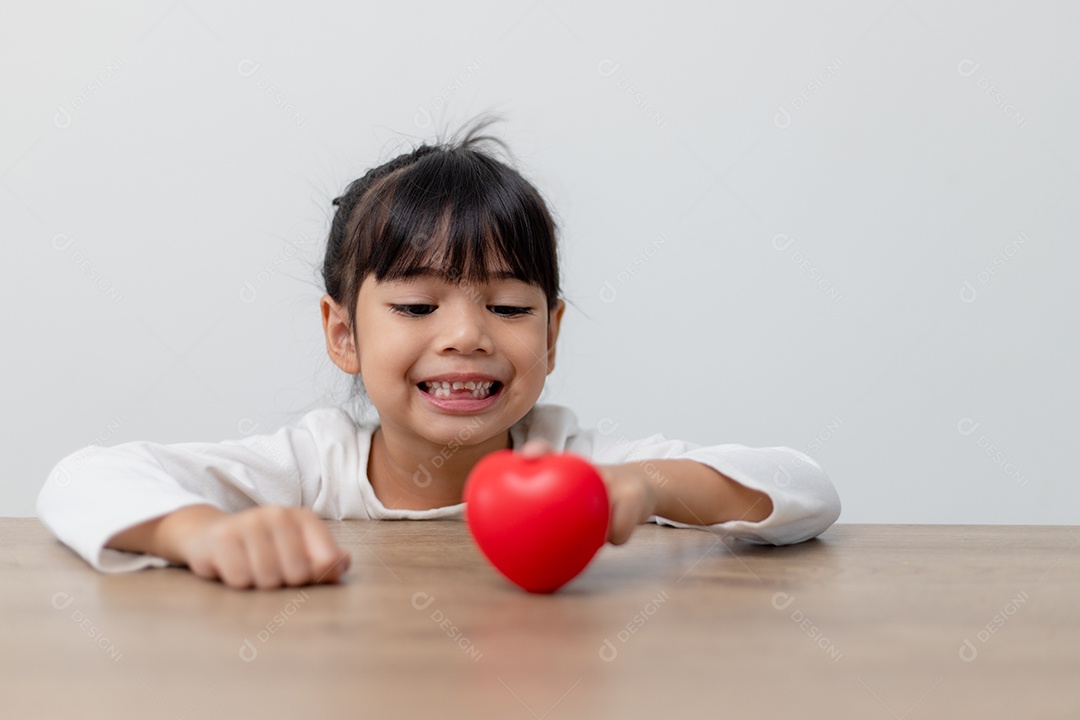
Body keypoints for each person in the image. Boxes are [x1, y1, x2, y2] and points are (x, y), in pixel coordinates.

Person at [37, 115, 841, 590]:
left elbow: (805, 490)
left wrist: (644, 486)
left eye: (509, 306)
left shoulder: (576, 462)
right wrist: (196, 533)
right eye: (419, 305)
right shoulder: (311, 466)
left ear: (552, 335)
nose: (467, 335)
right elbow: (81, 479)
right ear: (343, 334)